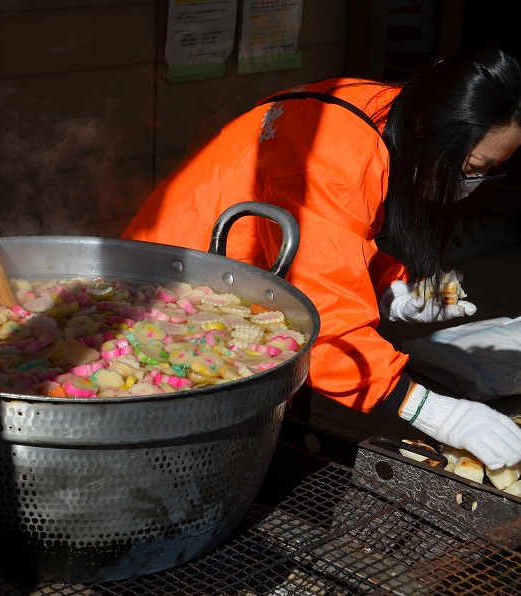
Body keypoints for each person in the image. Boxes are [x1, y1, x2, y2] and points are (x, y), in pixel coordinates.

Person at [123, 47, 521, 470]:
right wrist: (431, 410)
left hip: (218, 279)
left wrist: (391, 289)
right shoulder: (334, 151)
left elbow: (335, 240)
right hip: (172, 298)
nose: (477, 182)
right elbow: (322, 320)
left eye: (491, 170)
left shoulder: (381, 107)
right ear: (431, 126)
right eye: (475, 166)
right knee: (185, 460)